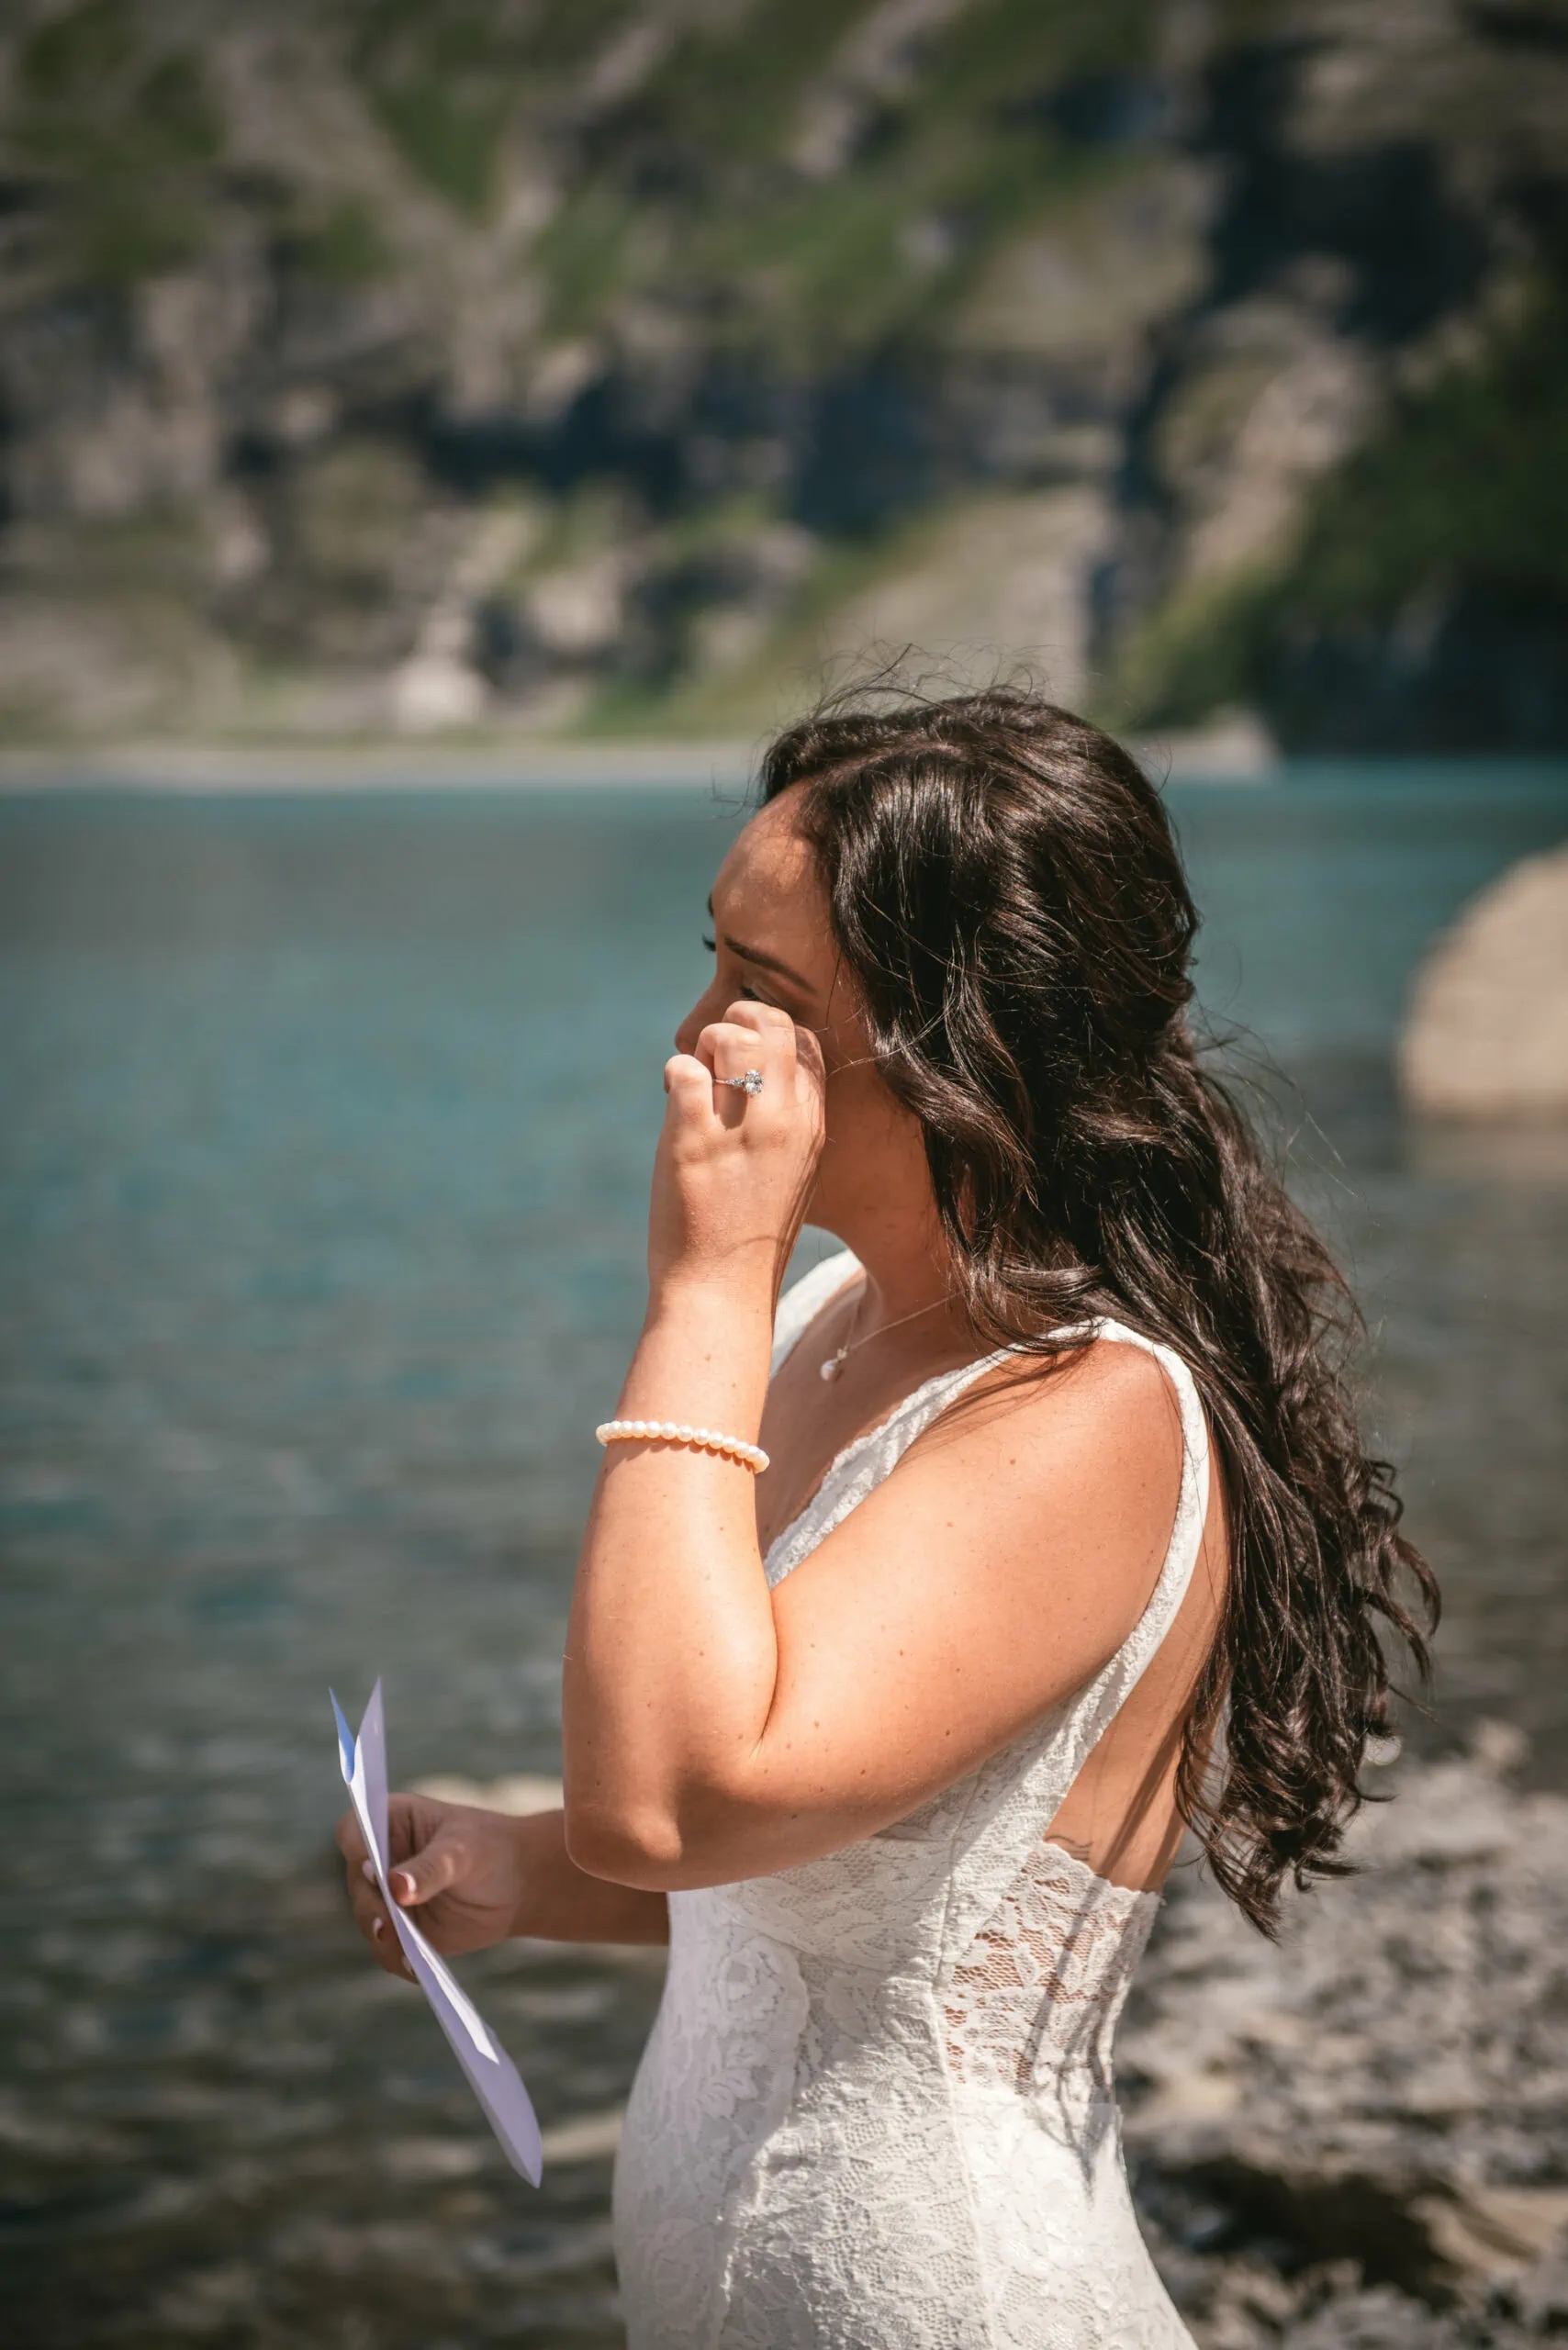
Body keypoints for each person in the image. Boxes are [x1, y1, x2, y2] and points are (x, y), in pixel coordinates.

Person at [339, 689, 1437, 2348]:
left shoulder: (1085, 1420)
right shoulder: (827, 1322)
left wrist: (703, 1280)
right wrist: (520, 1871)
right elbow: (811, 1861)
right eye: (712, 959)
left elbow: (669, 1802)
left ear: (963, 1048)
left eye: (764, 996)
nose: (697, 1034)